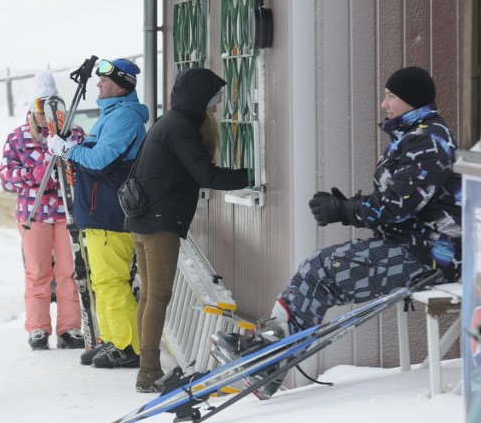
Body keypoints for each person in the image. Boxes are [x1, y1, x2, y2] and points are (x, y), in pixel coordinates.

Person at [211, 66, 462, 397]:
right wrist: (349, 208)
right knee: (321, 272)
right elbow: (401, 205)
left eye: (391, 97)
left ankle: (270, 357)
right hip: (413, 246)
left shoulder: (428, 141)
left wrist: (346, 210)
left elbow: (399, 205)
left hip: (429, 257)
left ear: (411, 101)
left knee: (322, 269)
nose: (384, 104)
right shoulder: (414, 136)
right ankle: (270, 355)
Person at [123, 67, 249, 393]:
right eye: (215, 99)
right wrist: (251, 176)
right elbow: (205, 175)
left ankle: (146, 370)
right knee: (158, 298)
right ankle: (147, 374)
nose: (218, 106)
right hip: (158, 222)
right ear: (200, 99)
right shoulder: (181, 128)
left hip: (145, 220)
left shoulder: (170, 122)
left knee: (150, 297)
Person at [48, 58, 149, 368]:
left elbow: (101, 160)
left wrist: (67, 150)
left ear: (121, 85)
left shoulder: (124, 118)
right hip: (96, 211)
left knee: (113, 282)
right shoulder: (110, 116)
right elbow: (92, 156)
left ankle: (128, 347)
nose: (98, 85)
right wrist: (72, 151)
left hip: (109, 212)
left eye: (104, 81)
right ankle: (111, 339)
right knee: (102, 282)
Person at [0, 71, 85, 351]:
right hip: (33, 213)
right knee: (37, 272)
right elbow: (6, 176)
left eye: (52, 106)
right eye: (41, 106)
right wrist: (33, 174)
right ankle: (37, 327)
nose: (46, 113)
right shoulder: (19, 138)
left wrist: (69, 164)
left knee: (68, 271)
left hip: (65, 212)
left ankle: (70, 328)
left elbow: (84, 167)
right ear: (33, 108)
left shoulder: (73, 134)